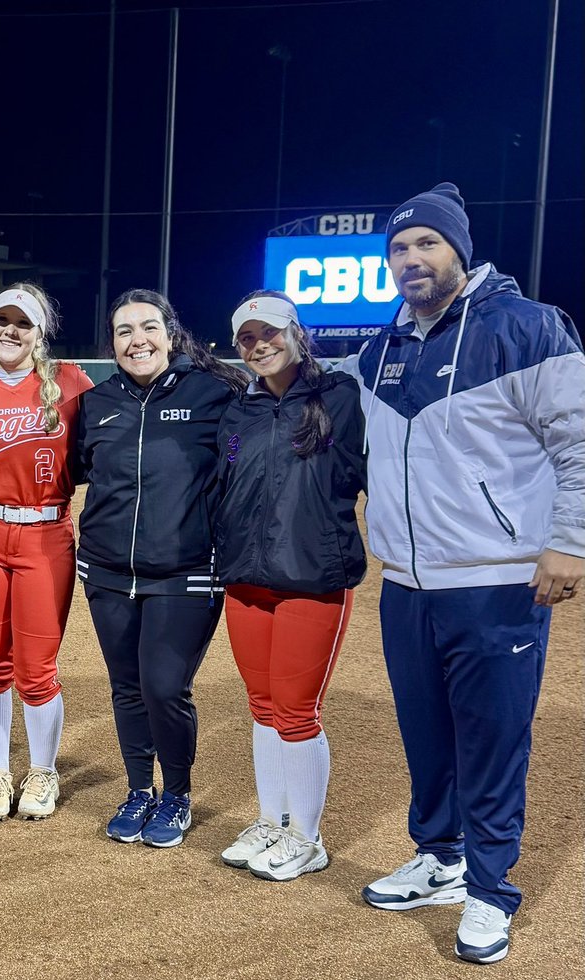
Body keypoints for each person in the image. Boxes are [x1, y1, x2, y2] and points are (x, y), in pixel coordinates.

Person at [344, 183, 584, 963]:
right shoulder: (381, 350)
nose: (412, 260)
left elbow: (578, 442)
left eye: (427, 245)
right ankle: (440, 857)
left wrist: (570, 541)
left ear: (459, 250)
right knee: (427, 734)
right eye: (399, 249)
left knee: (491, 738)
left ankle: (488, 891)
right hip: (408, 582)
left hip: (499, 580)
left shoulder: (527, 327)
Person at [74, 288, 244, 847]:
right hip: (107, 573)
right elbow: (78, 471)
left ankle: (176, 794)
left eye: (148, 328)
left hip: (185, 571)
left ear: (171, 335)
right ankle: (139, 790)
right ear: (113, 344)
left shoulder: (215, 393)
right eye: (124, 331)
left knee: (164, 686)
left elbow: (248, 467)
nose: (136, 340)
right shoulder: (97, 403)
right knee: (127, 687)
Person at [214, 290, 366, 881]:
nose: (260, 345)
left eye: (270, 333)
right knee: (262, 706)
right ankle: (273, 821)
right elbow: (224, 485)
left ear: (297, 333)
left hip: (313, 579)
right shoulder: (239, 413)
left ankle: (307, 837)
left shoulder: (340, 398)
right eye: (247, 338)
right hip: (248, 581)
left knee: (297, 711)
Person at [0, 285, 92, 821]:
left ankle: (43, 770)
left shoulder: (72, 383)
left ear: (39, 333)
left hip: (46, 536)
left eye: (22, 323)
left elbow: (107, 447)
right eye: (0, 320)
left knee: (37, 668)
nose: (10, 330)